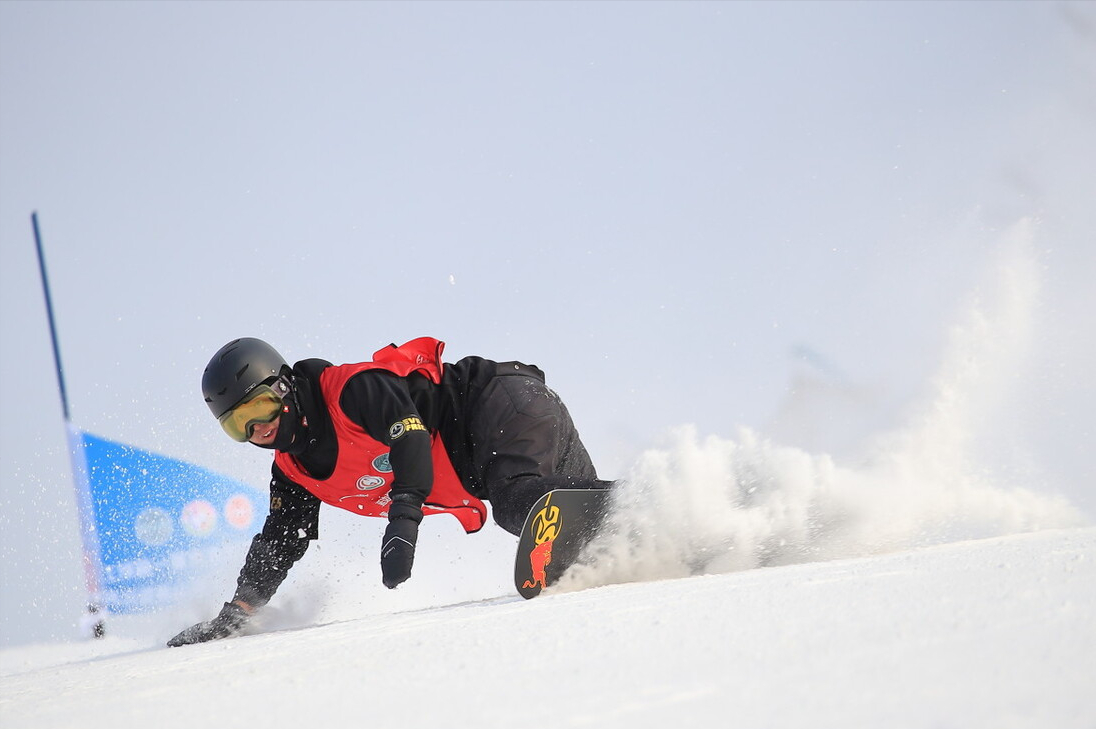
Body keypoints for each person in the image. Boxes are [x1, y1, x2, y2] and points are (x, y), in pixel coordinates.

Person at [167, 336, 610, 646]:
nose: (257, 430)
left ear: (283, 387)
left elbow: (410, 436)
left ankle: (648, 504)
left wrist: (404, 519)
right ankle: (659, 518)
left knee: (520, 504)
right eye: (236, 426)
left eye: (258, 408)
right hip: (501, 441)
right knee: (585, 539)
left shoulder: (349, 390)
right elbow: (282, 541)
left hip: (498, 402)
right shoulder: (293, 470)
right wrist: (239, 611)